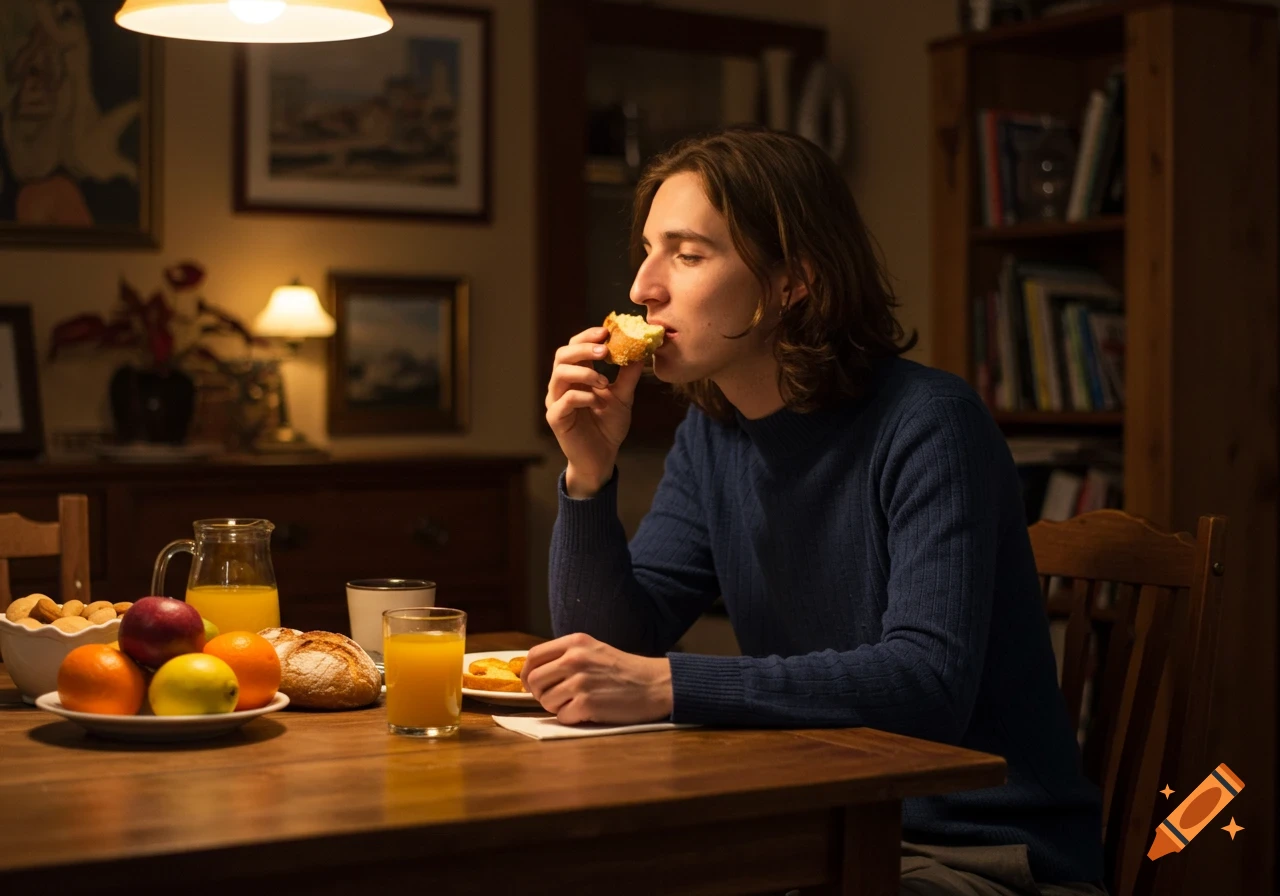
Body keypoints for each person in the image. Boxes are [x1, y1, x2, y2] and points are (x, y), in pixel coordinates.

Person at [528, 124, 1107, 896]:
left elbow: (926, 683)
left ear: (790, 283)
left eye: (688, 254)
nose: (642, 287)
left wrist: (669, 685)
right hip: (811, 832)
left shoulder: (930, 423)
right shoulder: (713, 431)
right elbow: (609, 646)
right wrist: (588, 474)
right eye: (646, 250)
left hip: (976, 853)